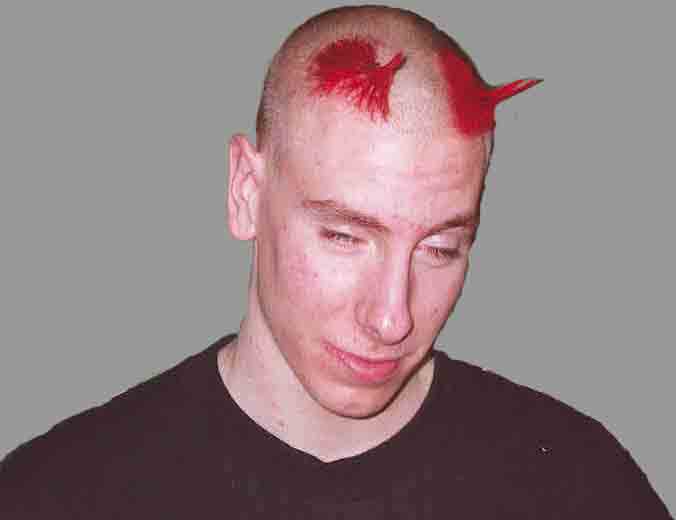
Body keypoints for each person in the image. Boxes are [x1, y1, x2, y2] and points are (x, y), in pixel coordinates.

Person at [1, 5, 672, 518]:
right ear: (246, 191)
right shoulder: (55, 497)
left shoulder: (579, 487)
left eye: (440, 248)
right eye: (345, 236)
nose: (392, 317)